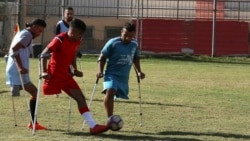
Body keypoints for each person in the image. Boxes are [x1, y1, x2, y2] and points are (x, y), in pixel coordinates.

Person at [40, 18, 109, 135]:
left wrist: (75, 69)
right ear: (72, 31)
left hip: (66, 76)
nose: (81, 36)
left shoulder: (77, 40)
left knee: (81, 98)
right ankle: (33, 119)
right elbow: (44, 54)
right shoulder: (59, 39)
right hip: (54, 75)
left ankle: (93, 126)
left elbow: (73, 55)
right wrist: (43, 72)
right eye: (80, 33)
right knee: (37, 96)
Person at [96, 23, 146, 119]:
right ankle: (110, 118)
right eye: (125, 35)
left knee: (113, 92)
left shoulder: (134, 44)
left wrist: (139, 71)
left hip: (123, 77)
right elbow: (102, 57)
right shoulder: (113, 43)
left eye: (130, 36)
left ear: (134, 34)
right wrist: (100, 71)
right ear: (121, 32)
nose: (127, 38)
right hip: (111, 74)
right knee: (110, 91)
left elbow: (135, 58)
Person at [6, 18, 47, 130]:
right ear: (34, 26)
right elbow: (15, 49)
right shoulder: (27, 35)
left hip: (16, 70)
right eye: (39, 30)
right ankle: (33, 123)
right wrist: (20, 67)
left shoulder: (23, 32)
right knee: (35, 93)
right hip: (19, 71)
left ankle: (33, 122)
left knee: (33, 92)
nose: (39, 33)